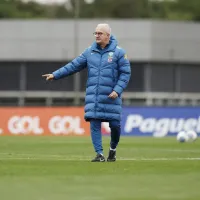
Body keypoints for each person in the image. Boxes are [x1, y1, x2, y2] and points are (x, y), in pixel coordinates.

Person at [42, 23, 131, 162]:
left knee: (115, 125)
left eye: (100, 33)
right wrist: (55, 74)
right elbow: (73, 65)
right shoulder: (89, 52)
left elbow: (125, 74)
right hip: (94, 97)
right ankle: (99, 154)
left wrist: (117, 90)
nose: (97, 35)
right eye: (95, 33)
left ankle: (112, 149)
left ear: (108, 35)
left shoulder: (119, 53)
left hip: (111, 97)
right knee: (94, 123)